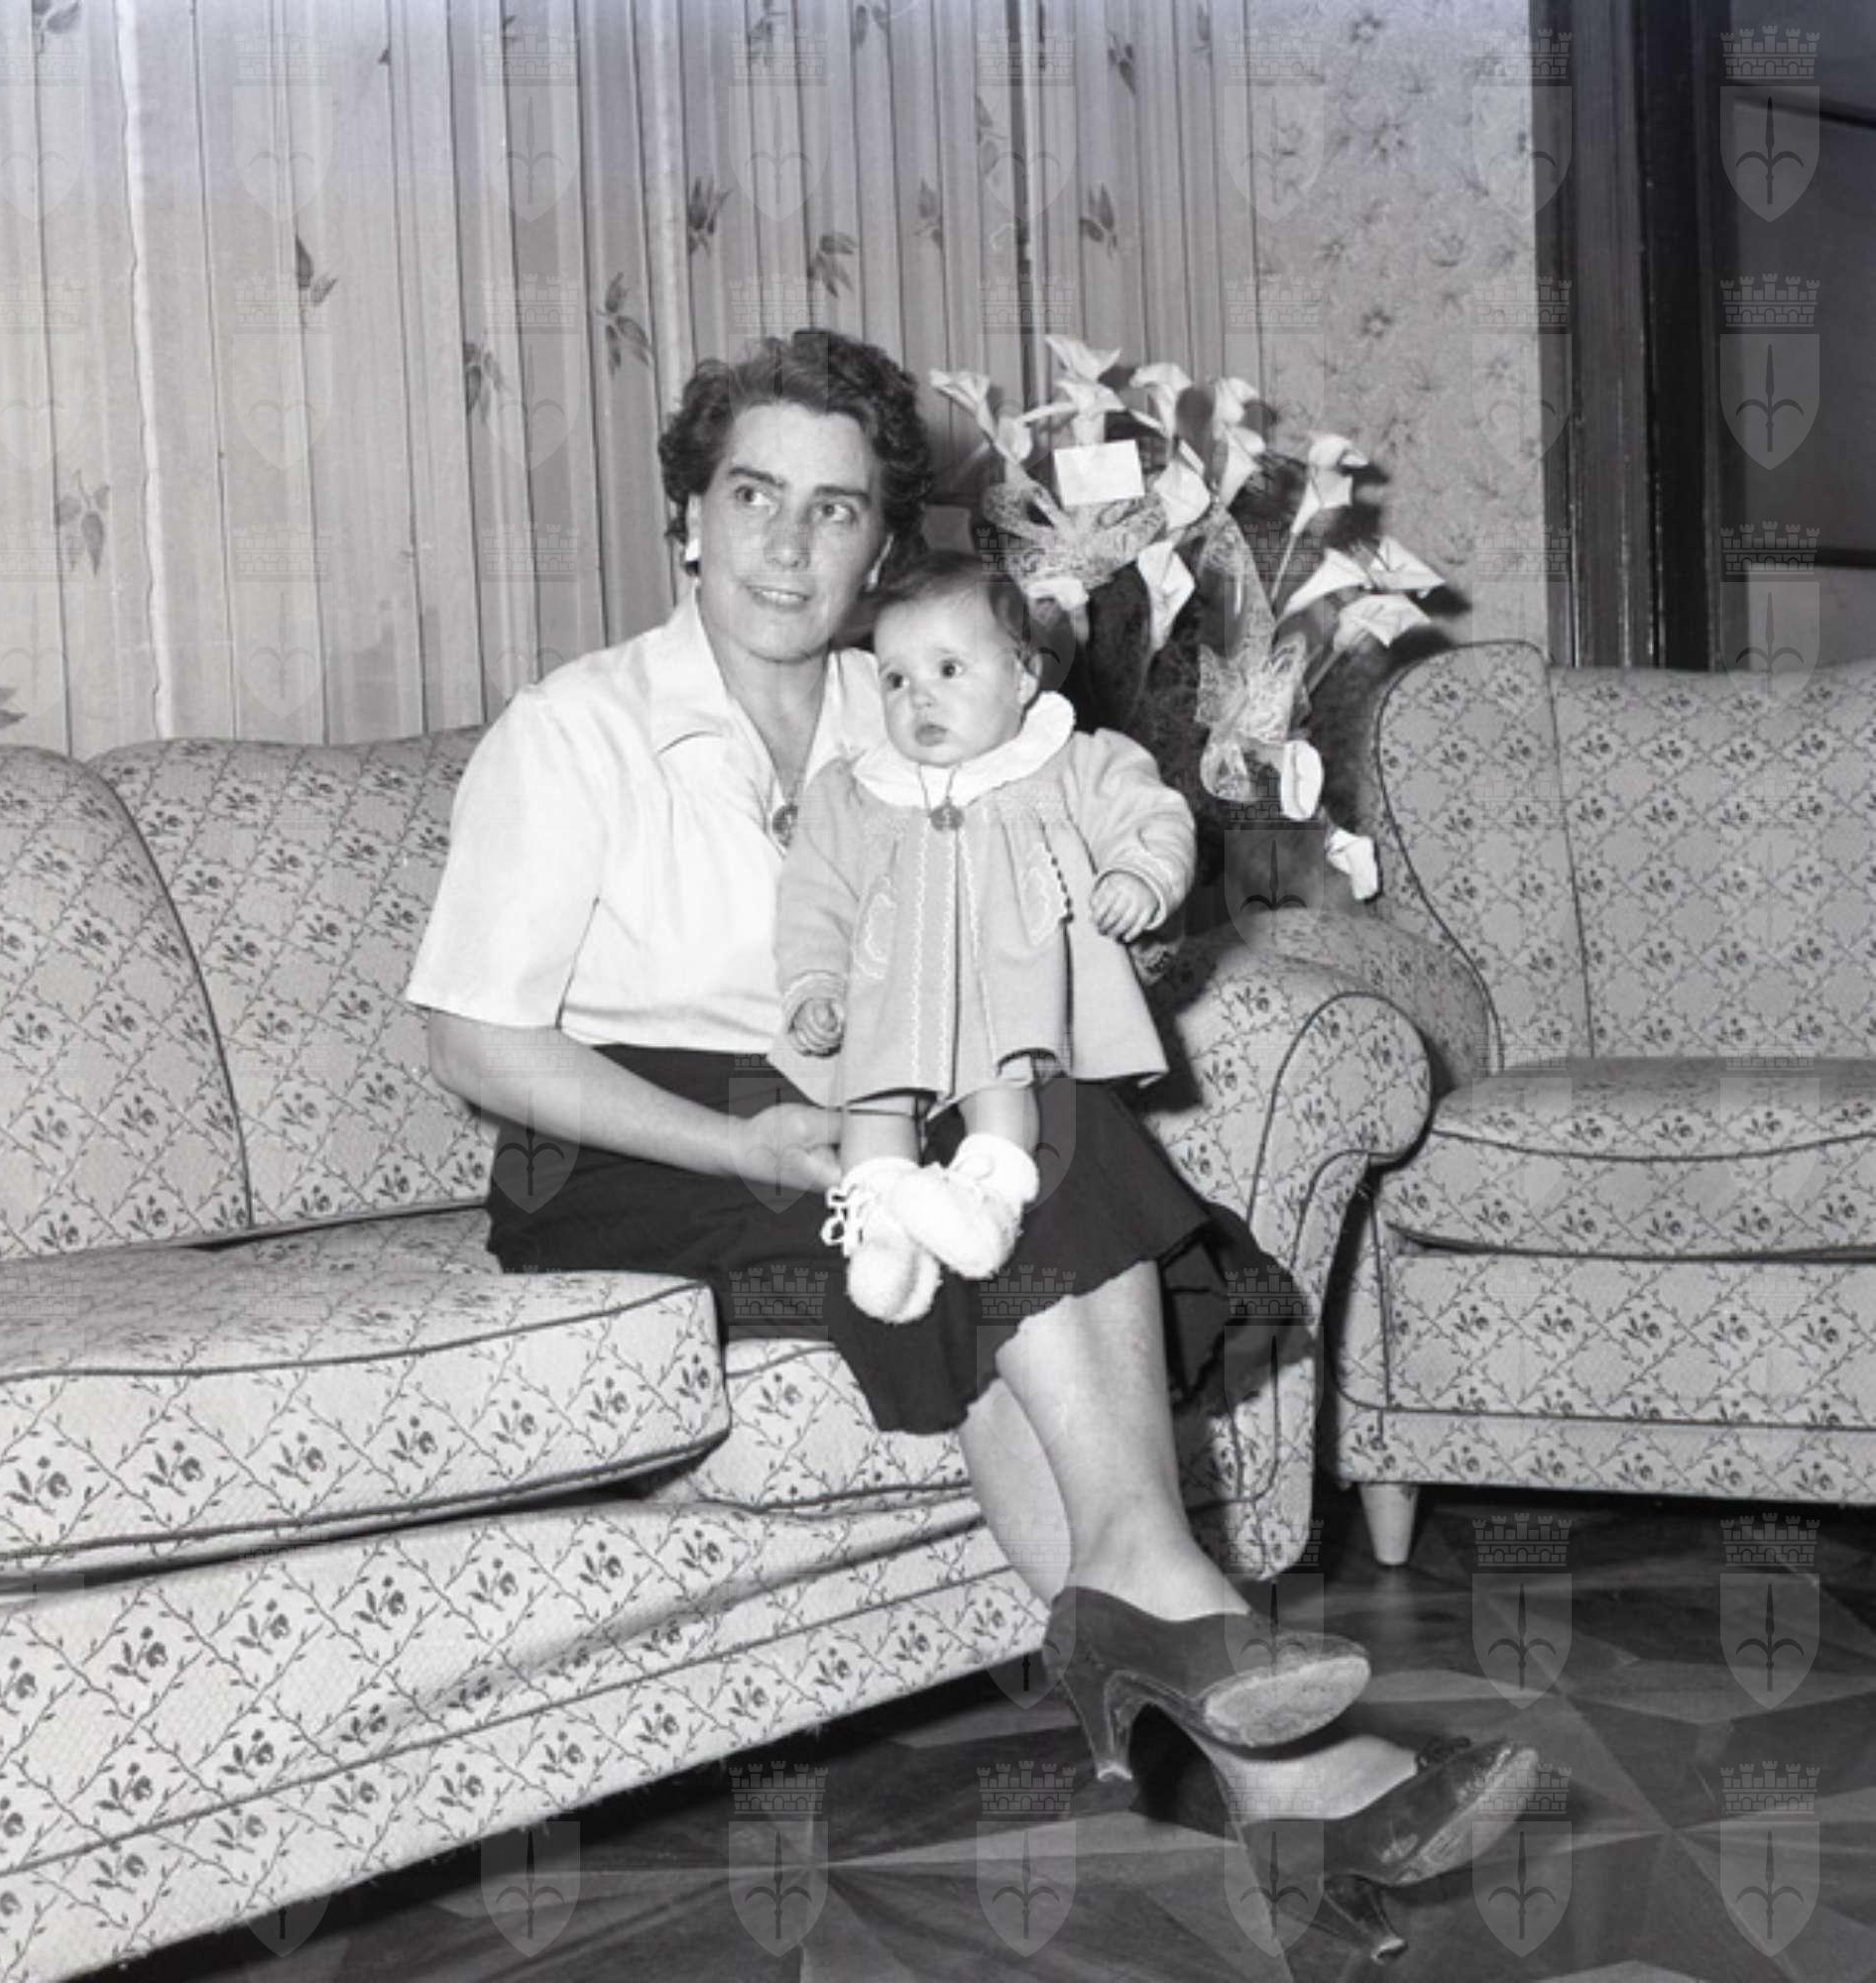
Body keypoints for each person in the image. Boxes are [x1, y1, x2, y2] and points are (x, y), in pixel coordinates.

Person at [407, 328, 1535, 1958]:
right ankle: (1211, 1677)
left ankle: (1211, 1699)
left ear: (880, 542)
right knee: (1011, 1189)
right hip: (632, 1142)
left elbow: (1031, 902)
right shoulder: (574, 729)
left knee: (1029, 1157)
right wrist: (751, 1145)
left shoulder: (922, 700)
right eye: (751, 495)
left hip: (878, 1101)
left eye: (835, 509)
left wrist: (1111, 917)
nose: (789, 544)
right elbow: (472, 1039)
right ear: (687, 519)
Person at [771, 550, 1198, 1325]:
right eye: (894, 679)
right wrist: (815, 984)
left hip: (1009, 997)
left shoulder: (1065, 763)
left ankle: (987, 1199)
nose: (919, 698)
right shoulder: (856, 793)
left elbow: (1150, 813)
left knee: (1000, 1085)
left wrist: (1140, 874)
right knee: (868, 1102)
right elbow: (814, 898)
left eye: (948, 669)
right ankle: (883, 1228)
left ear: (1023, 678)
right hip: (890, 1002)